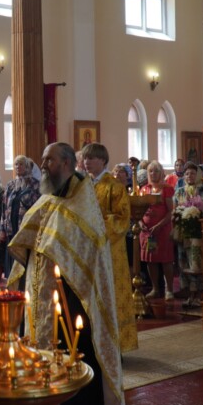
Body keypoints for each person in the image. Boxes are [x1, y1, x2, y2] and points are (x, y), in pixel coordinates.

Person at [8, 142, 128, 405]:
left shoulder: (83, 203)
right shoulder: (49, 198)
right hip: (40, 293)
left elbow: (88, 248)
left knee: (70, 347)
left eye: (48, 160)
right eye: (43, 159)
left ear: (66, 163)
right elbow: (31, 236)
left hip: (72, 296)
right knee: (39, 346)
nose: (43, 165)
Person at [81, 142, 138, 352]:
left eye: (91, 158)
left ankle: (114, 346)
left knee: (110, 294)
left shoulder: (114, 186)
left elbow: (122, 219)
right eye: (85, 158)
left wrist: (96, 225)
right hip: (87, 248)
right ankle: (92, 344)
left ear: (103, 160)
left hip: (109, 249)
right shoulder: (83, 185)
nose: (87, 162)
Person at [0, 155, 41, 277]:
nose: (18, 167)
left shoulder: (35, 184)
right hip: (11, 226)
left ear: (27, 166)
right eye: (16, 164)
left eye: (21, 164)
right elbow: (4, 208)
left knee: (24, 258)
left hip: (25, 226)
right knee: (12, 256)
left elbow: (37, 206)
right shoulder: (10, 184)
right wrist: (2, 230)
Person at [140, 161, 176, 301]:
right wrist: (140, 223)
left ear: (161, 173)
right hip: (147, 231)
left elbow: (170, 211)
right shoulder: (144, 189)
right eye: (150, 171)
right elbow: (139, 209)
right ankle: (155, 289)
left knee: (166, 260)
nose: (153, 174)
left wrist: (159, 225)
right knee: (151, 260)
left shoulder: (167, 189)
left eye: (156, 171)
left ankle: (169, 290)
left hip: (163, 229)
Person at [173, 163, 203, 308]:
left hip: (197, 231)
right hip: (183, 231)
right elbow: (174, 210)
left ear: (197, 175)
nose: (189, 176)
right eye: (187, 174)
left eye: (192, 173)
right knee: (183, 261)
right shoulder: (179, 191)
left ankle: (198, 293)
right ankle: (188, 294)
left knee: (196, 262)